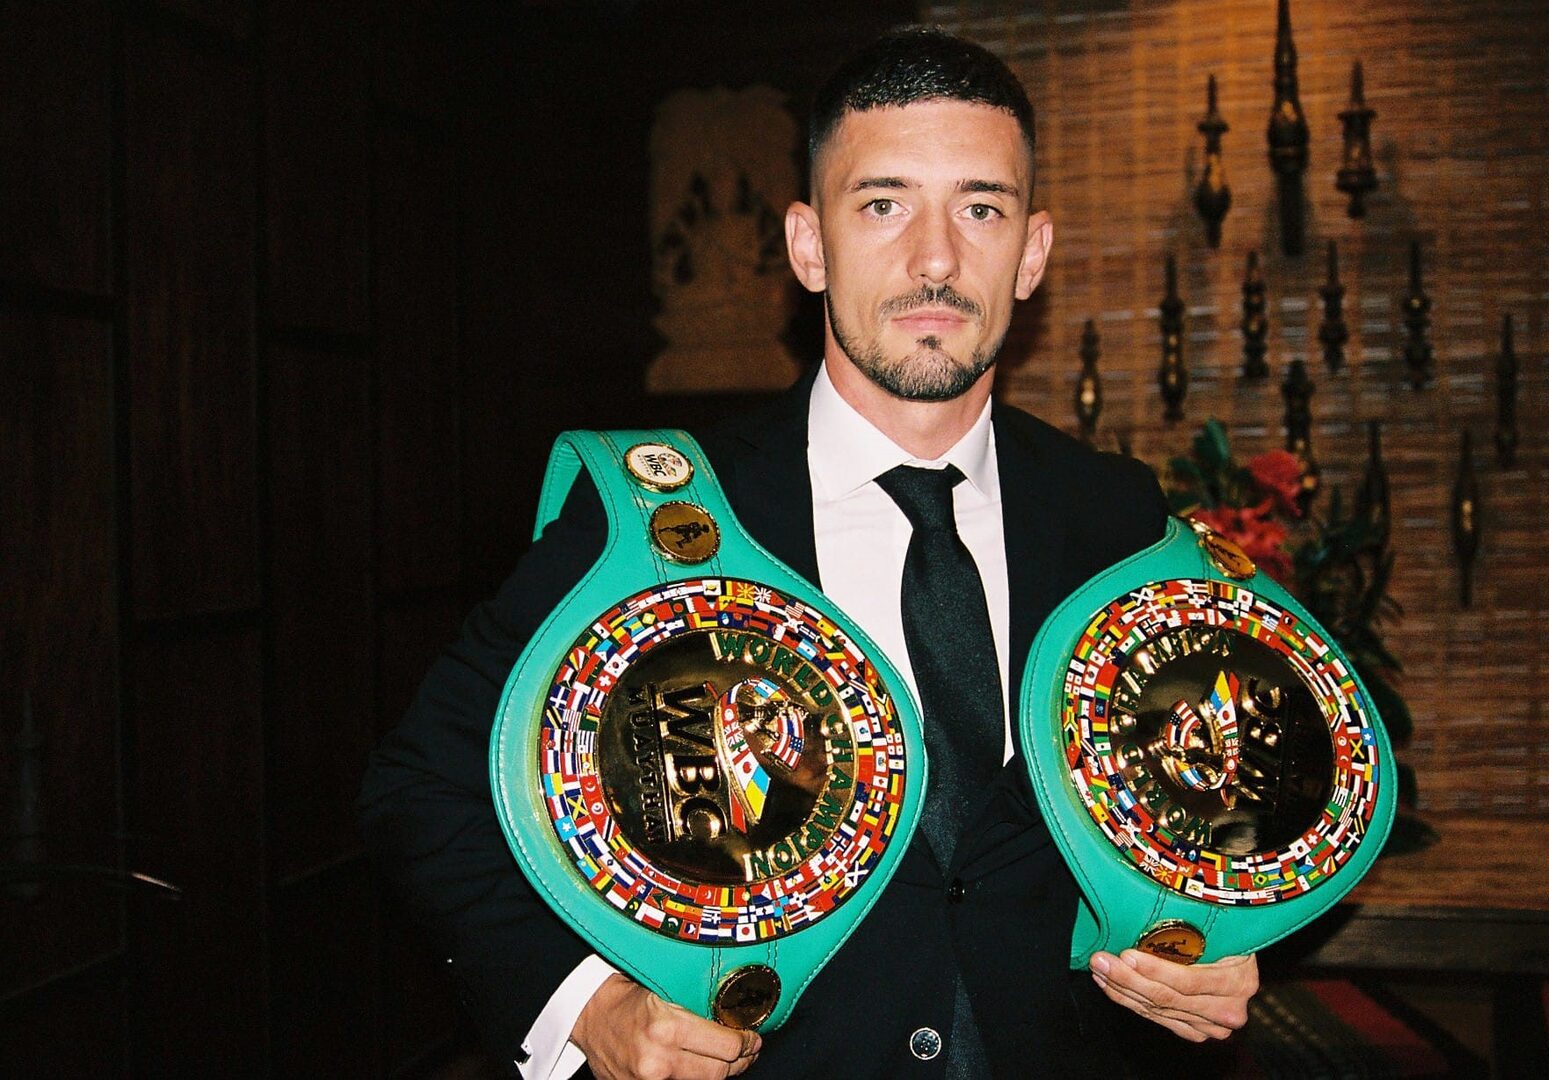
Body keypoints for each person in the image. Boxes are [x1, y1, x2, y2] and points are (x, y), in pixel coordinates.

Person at [361, 26, 1259, 1079]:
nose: (936, 258)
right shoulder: (657, 515)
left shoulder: (1115, 514)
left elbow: (1207, 804)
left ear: (1032, 253)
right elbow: (422, 784)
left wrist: (1216, 943)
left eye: (980, 208)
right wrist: (588, 1007)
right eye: (882, 205)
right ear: (807, 245)